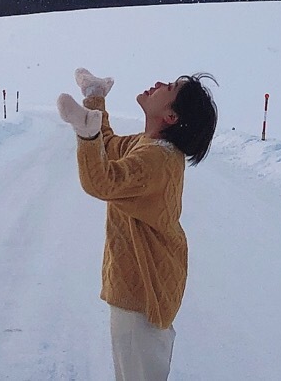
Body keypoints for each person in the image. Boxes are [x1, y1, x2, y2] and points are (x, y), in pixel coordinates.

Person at [57, 68, 218, 381]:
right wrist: (95, 98)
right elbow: (107, 146)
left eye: (168, 87)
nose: (158, 83)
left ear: (171, 116)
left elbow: (101, 182)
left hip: (143, 293)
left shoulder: (156, 159)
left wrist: (86, 135)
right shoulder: (149, 146)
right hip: (140, 288)